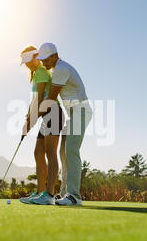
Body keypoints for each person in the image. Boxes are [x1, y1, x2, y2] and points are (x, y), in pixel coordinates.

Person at [36, 43, 92, 206]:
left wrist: (33, 117)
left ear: (54, 56)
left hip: (81, 110)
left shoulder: (61, 69)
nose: (43, 63)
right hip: (72, 114)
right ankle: (64, 193)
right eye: (41, 60)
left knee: (71, 150)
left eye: (45, 59)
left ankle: (74, 196)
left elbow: (51, 98)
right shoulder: (56, 69)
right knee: (62, 152)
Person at [19, 46, 65, 205]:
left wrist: (30, 123)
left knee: (50, 153)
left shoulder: (40, 72)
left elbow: (40, 101)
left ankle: (49, 194)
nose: (27, 64)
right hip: (47, 115)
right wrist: (28, 118)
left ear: (36, 56)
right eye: (24, 62)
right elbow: (35, 101)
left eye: (28, 61)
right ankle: (40, 192)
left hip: (53, 112)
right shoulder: (36, 73)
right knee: (38, 153)